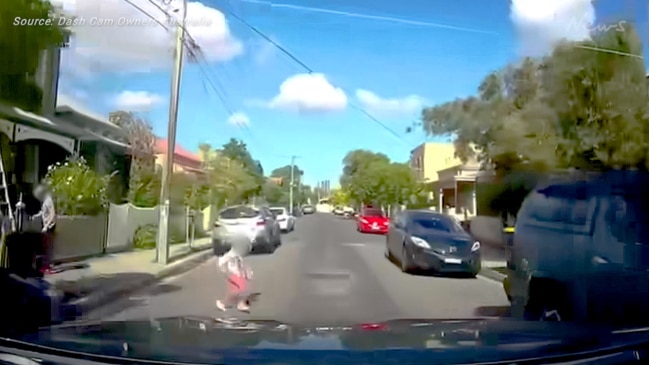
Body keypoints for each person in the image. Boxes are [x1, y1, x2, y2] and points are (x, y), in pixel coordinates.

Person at [215, 237, 254, 313]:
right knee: (238, 289)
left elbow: (241, 265)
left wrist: (245, 273)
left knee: (243, 288)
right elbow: (222, 262)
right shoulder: (231, 254)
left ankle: (240, 303)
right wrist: (225, 271)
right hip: (232, 273)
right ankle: (223, 303)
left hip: (236, 273)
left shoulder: (237, 254)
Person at [32, 184, 56, 275]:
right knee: (46, 247)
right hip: (46, 226)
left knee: (48, 247)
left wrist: (47, 226)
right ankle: (46, 266)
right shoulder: (45, 201)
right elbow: (43, 212)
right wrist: (36, 215)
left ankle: (48, 266)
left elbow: (52, 214)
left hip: (49, 227)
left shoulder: (49, 200)